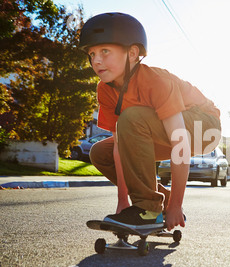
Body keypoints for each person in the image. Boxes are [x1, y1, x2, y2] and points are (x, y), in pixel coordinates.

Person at [79, 12, 221, 231]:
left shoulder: (156, 81)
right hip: (158, 130)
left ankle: (148, 209)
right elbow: (120, 147)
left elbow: (180, 143)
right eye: (92, 53)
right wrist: (122, 201)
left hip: (203, 125)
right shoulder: (105, 90)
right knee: (100, 152)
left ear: (133, 53)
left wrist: (176, 205)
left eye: (105, 51)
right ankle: (154, 202)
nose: (96, 60)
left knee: (133, 116)